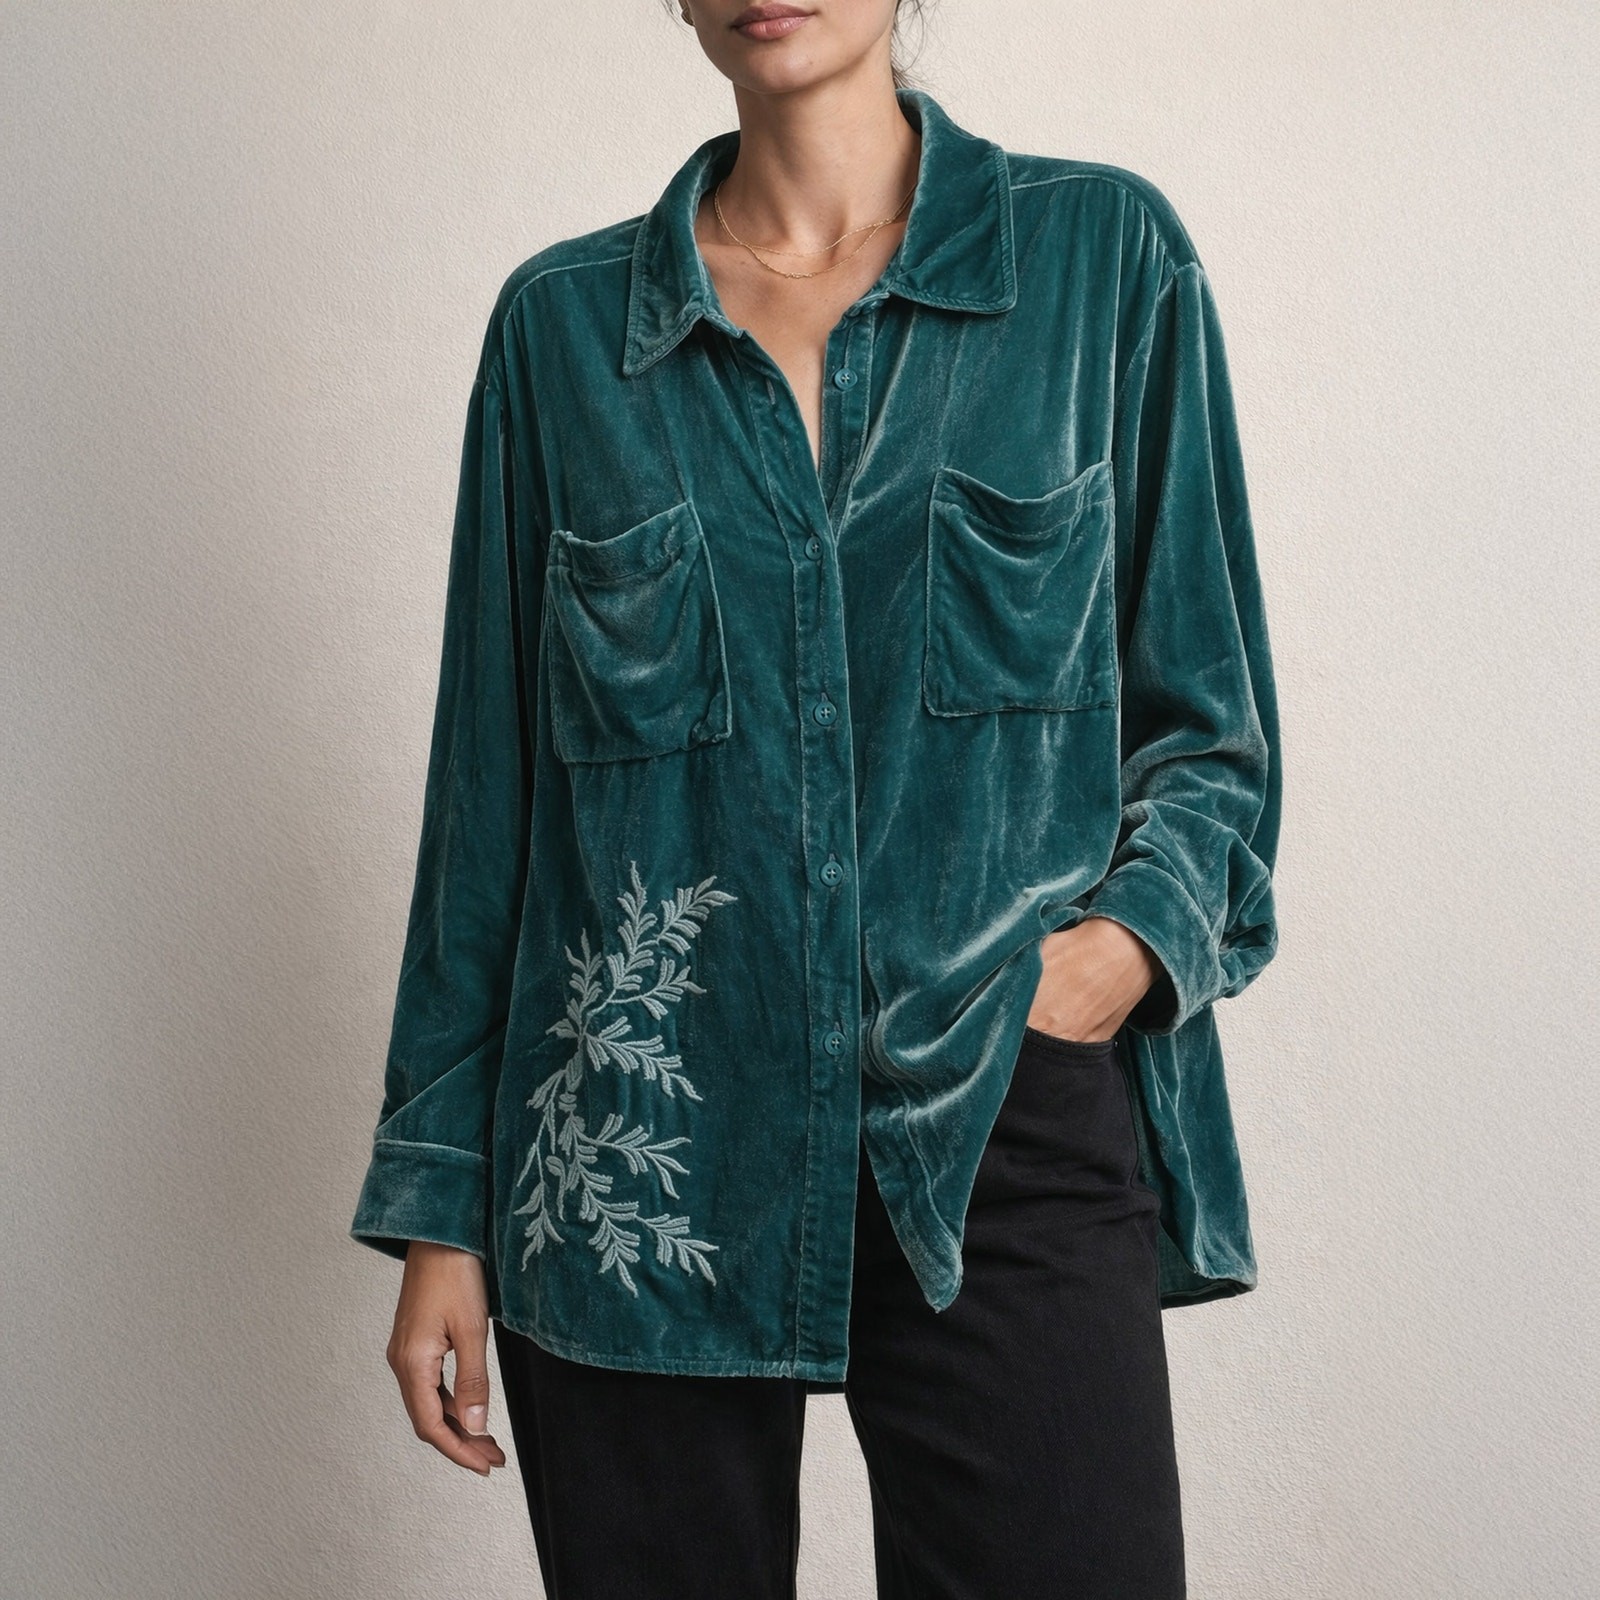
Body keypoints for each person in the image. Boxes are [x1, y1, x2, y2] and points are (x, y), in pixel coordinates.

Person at [349, 3, 1283, 1595]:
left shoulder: (1101, 263)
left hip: (998, 1112)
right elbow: (485, 807)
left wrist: (1114, 958)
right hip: (641, 1154)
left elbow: (1211, 733)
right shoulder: (564, 331)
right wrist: (443, 1209)